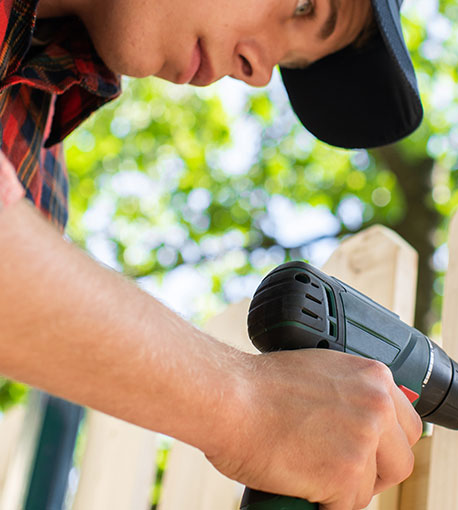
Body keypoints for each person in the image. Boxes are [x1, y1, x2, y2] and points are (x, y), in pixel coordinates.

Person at [0, 0, 425, 508]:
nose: (259, 73)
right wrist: (248, 406)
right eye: (304, 4)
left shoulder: (34, 172)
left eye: (291, 62)